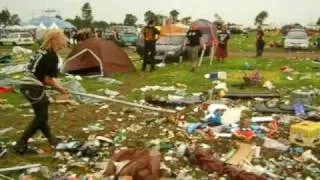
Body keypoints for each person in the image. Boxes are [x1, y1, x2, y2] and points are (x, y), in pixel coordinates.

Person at [14, 29, 70, 154]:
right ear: (56, 40)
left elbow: (48, 77)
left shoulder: (41, 51)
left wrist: (60, 87)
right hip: (33, 86)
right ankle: (21, 142)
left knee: (41, 114)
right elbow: (48, 79)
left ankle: (51, 139)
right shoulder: (52, 56)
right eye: (62, 42)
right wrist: (60, 89)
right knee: (41, 116)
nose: (63, 45)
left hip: (27, 84)